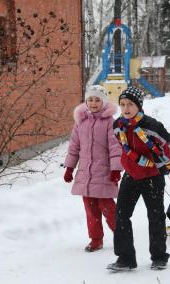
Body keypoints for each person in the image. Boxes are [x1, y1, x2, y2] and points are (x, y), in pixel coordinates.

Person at [107, 86, 170, 271]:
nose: (126, 108)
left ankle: (159, 257)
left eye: (130, 104)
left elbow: (167, 149)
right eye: (122, 104)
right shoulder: (118, 126)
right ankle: (125, 258)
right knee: (121, 215)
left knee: (155, 217)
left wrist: (161, 168)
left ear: (139, 106)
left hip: (152, 176)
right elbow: (122, 147)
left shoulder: (152, 126)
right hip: (131, 175)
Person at [63, 85, 122, 252]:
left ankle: (121, 235)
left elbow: (115, 147)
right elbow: (74, 146)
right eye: (90, 99)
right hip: (86, 174)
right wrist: (69, 167)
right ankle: (96, 239)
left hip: (104, 172)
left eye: (97, 100)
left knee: (108, 207)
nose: (93, 103)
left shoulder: (110, 122)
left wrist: (115, 169)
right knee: (90, 208)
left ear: (103, 102)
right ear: (86, 101)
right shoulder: (80, 122)